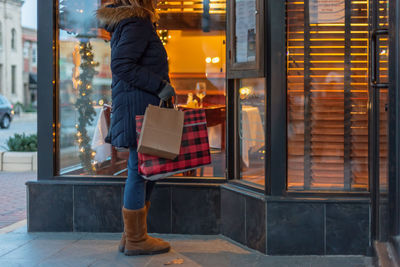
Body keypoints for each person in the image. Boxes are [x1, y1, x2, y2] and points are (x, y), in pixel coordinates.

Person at [96, 0, 175, 256]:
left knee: (143, 170)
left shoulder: (128, 23)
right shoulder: (137, 22)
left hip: (138, 107)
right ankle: (136, 240)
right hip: (140, 108)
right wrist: (159, 85)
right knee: (139, 172)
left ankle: (131, 237)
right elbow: (121, 65)